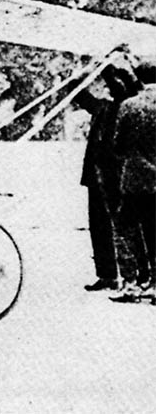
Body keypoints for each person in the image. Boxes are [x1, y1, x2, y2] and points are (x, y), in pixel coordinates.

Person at [71, 51, 142, 291]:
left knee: (122, 228)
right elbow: (79, 95)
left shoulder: (127, 107)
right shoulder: (102, 108)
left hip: (115, 177)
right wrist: (81, 73)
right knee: (99, 227)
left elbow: (127, 88)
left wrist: (109, 67)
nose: (108, 89)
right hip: (95, 177)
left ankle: (128, 276)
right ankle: (107, 275)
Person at [109, 60, 156, 304]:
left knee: (125, 226)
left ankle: (131, 283)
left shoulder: (129, 106)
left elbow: (118, 146)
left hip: (136, 179)